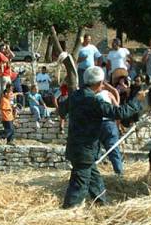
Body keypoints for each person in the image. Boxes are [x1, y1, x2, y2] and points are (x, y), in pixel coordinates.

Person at [62, 66, 145, 209]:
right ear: (98, 83)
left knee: (94, 179)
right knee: (79, 186)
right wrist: (137, 100)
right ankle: (69, 212)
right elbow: (119, 113)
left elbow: (61, 110)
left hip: (76, 147)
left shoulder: (76, 95)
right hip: (85, 150)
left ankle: (102, 206)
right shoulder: (93, 101)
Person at [97, 85, 124, 175]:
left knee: (94, 149)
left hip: (96, 124)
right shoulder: (108, 94)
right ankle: (119, 173)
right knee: (113, 149)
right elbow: (117, 109)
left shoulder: (91, 95)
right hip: (109, 124)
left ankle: (95, 173)